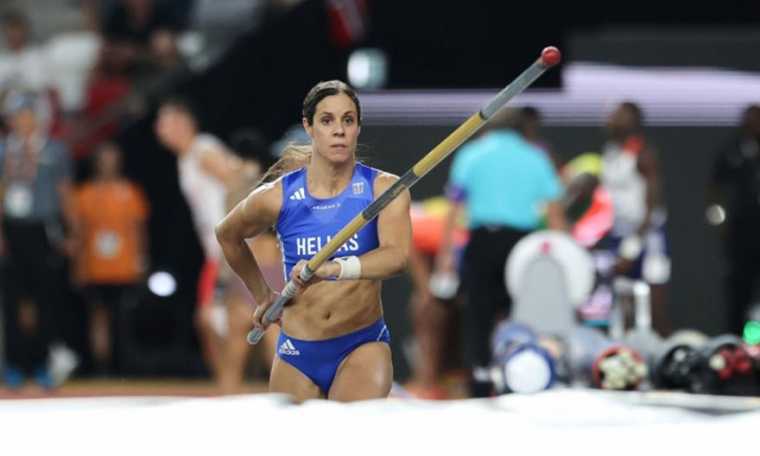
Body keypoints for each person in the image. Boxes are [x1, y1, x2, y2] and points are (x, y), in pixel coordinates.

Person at [216, 80, 411, 402]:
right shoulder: (277, 196)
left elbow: (397, 258)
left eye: (348, 120)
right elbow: (227, 235)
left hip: (360, 345)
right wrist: (262, 294)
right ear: (309, 126)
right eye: (327, 120)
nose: (339, 131)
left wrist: (333, 268)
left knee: (347, 429)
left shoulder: (383, 190)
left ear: (358, 127)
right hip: (297, 352)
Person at [434, 108, 566, 398]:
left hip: (482, 242)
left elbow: (453, 210)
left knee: (478, 314)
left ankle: (480, 380)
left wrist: (445, 258)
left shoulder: (471, 154)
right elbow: (555, 215)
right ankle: (525, 376)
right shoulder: (536, 157)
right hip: (522, 247)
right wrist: (561, 260)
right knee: (523, 312)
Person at [154, 96, 246, 385]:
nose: (158, 129)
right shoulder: (186, 158)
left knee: (219, 320)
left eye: (164, 121)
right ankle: (227, 386)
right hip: (216, 252)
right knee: (210, 321)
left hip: (230, 247)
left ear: (184, 123)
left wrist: (238, 234)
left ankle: (230, 387)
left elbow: (239, 183)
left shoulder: (202, 149)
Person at [0, 91, 76, 389]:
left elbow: (64, 192)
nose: (23, 121)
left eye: (28, 115)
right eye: (17, 116)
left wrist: (72, 231)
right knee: (12, 300)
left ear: (38, 117)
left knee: (46, 298)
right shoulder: (4, 149)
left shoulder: (54, 150)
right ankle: (14, 364)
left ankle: (42, 363)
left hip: (43, 228)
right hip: (13, 228)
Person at [72, 142, 149, 375]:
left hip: (124, 267)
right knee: (98, 317)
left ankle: (125, 365)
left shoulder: (130, 192)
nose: (108, 165)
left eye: (112, 160)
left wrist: (141, 260)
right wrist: (78, 265)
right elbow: (79, 232)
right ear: (96, 163)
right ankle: (102, 367)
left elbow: (138, 229)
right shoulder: (84, 193)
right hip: (95, 267)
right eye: (104, 160)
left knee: (124, 318)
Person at [598, 101, 670, 335]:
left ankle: (662, 346)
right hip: (619, 232)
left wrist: (632, 248)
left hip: (648, 235)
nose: (612, 119)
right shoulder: (609, 152)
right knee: (623, 298)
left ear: (633, 122)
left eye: (619, 116)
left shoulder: (643, 154)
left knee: (655, 299)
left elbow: (653, 206)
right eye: (613, 115)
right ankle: (628, 348)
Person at [710, 104, 760, 335]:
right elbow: (715, 190)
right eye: (751, 120)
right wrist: (719, 220)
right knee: (739, 291)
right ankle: (735, 342)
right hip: (741, 233)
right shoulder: (732, 152)